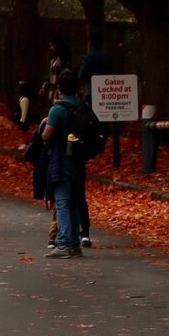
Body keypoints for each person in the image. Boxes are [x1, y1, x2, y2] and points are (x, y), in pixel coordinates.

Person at [41, 67, 103, 257]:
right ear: (77, 87)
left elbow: (46, 136)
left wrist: (45, 126)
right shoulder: (83, 107)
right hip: (80, 160)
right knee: (75, 200)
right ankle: (74, 243)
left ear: (59, 88)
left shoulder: (58, 109)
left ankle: (66, 243)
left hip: (62, 160)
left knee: (62, 201)